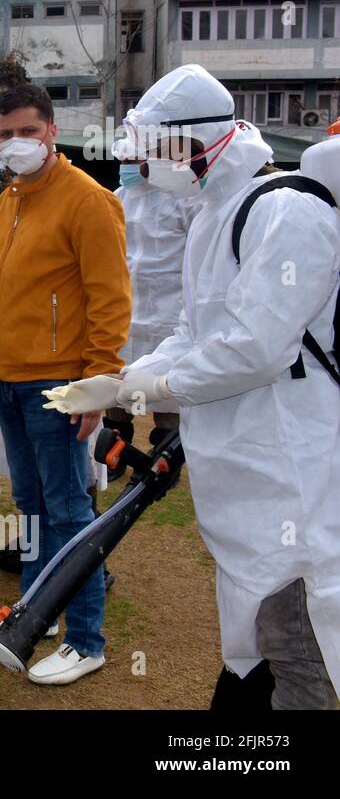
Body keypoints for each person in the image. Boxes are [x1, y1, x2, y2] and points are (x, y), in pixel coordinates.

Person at [47, 64, 340, 708]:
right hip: (241, 468)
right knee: (257, 629)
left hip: (291, 471)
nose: (147, 168)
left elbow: (254, 350)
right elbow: (193, 328)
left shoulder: (284, 211)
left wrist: (140, 393)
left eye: (155, 153)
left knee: (296, 639)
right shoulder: (210, 214)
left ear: (195, 144)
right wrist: (123, 378)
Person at [0, 82, 131, 686]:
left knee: (68, 510)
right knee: (31, 505)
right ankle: (37, 612)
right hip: (8, 382)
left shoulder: (88, 200)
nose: (15, 144)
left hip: (58, 384)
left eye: (27, 132)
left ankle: (87, 640)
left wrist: (97, 385)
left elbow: (112, 301)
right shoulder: (5, 203)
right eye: (5, 133)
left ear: (53, 131)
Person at [101, 157, 192, 478]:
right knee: (116, 391)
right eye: (122, 160)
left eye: (133, 160)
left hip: (169, 313)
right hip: (123, 311)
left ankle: (165, 459)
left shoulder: (181, 198)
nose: (126, 166)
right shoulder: (117, 197)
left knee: (165, 392)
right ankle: (115, 455)